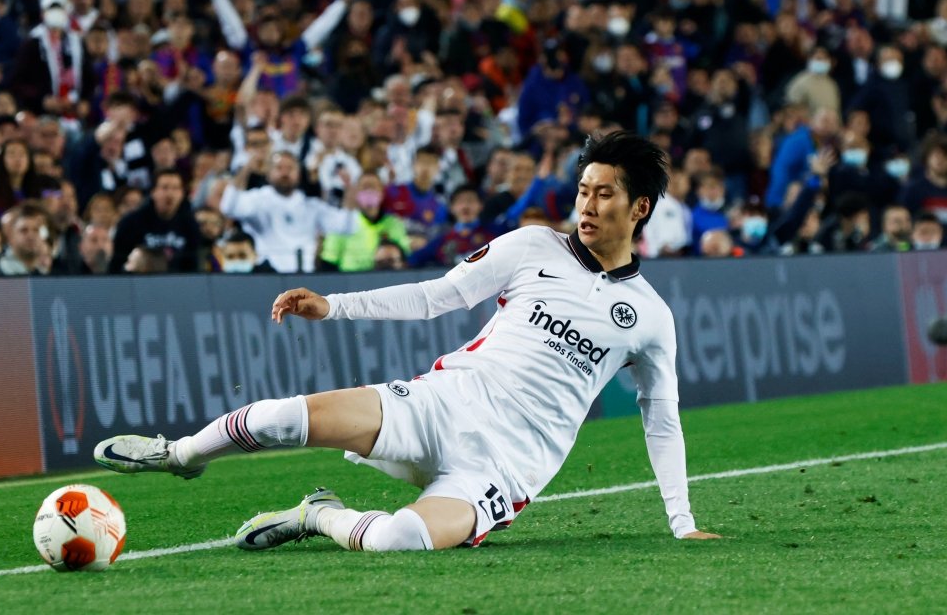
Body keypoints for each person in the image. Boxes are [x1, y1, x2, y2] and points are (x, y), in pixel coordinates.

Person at [94, 131, 718, 551]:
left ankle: (319, 514)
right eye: (583, 190)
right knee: (285, 418)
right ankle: (179, 454)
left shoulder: (650, 316)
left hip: (505, 465)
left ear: (639, 208)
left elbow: (661, 420)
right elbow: (433, 297)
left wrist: (682, 523)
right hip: (442, 404)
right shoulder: (533, 246)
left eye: (605, 194)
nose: (588, 205)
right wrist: (334, 306)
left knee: (400, 540)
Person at [217, 151, 357, 273]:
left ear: (299, 173)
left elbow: (347, 226)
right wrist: (246, 170)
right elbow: (229, 208)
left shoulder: (311, 206)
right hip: (267, 274)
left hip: (304, 277)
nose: (285, 173)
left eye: (290, 168)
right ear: (268, 172)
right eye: (279, 168)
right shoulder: (257, 200)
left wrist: (349, 189)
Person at [108, 169, 202, 273]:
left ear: (182, 194)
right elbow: (117, 264)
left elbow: (194, 266)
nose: (170, 194)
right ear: (153, 192)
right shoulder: (131, 223)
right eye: (165, 187)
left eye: (176, 188)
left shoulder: (190, 225)